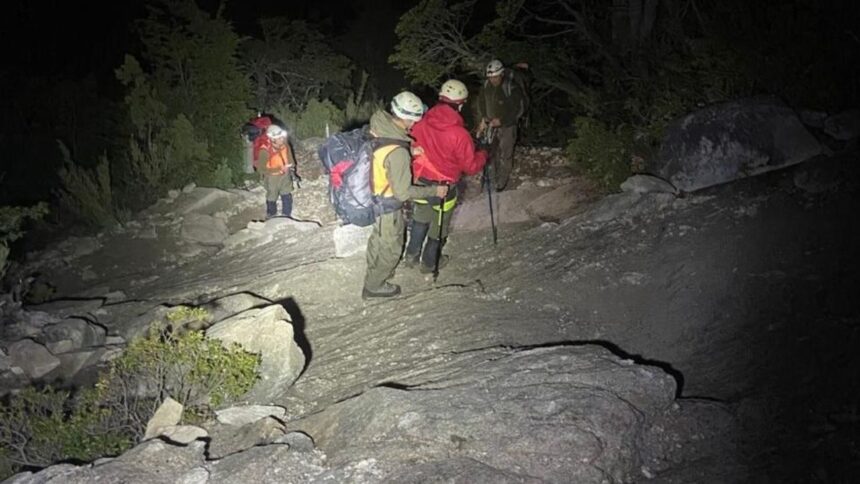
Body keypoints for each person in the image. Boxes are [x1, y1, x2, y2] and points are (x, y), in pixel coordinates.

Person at [362, 91, 448, 299]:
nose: (414, 125)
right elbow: (403, 192)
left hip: (374, 196)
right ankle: (373, 286)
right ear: (408, 118)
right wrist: (434, 191)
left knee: (378, 240)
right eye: (414, 121)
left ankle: (374, 272)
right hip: (388, 205)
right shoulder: (398, 152)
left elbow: (385, 153)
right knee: (391, 248)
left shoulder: (380, 126)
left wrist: (409, 151)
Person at [407, 79, 488, 273]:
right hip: (444, 187)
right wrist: (484, 153)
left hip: (420, 182)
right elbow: (470, 167)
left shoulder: (421, 121)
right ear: (460, 103)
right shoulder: (459, 134)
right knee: (439, 226)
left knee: (421, 218)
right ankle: (429, 263)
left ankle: (410, 256)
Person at [475, 59, 527, 191]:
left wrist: (502, 121)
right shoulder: (486, 86)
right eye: (490, 77)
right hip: (491, 124)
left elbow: (517, 109)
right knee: (491, 152)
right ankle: (490, 177)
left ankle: (502, 181)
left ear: (501, 74)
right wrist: (483, 119)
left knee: (506, 153)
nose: (493, 80)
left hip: (507, 126)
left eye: (495, 77)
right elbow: (481, 103)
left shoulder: (511, 87)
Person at [258, 124, 295, 219]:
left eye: (282, 137)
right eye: (279, 138)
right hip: (272, 177)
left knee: (286, 193)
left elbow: (289, 155)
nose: (281, 139)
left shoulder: (285, 144)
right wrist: (279, 169)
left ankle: (286, 215)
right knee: (272, 196)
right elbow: (261, 169)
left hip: (285, 174)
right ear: (272, 139)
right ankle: (271, 214)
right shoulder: (264, 150)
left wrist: (292, 166)